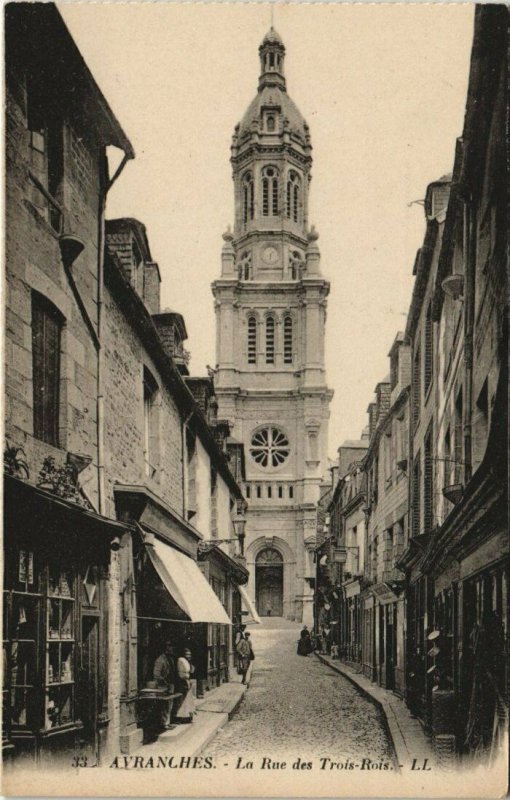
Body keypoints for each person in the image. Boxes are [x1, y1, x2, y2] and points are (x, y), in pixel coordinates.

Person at [153, 641, 176, 730]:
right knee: (164, 705)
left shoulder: (170, 658)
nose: (172, 648)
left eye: (172, 646)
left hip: (170, 684)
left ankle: (167, 722)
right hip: (163, 686)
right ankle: (163, 723)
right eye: (170, 646)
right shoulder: (160, 660)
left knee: (169, 704)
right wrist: (163, 681)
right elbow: (156, 674)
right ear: (166, 648)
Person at [174, 648, 196, 724]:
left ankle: (188, 716)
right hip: (182, 681)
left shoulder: (188, 662)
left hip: (187, 681)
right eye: (187, 654)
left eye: (189, 654)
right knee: (183, 700)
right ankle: (181, 717)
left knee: (188, 700)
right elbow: (182, 672)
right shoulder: (181, 660)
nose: (188, 656)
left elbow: (192, 670)